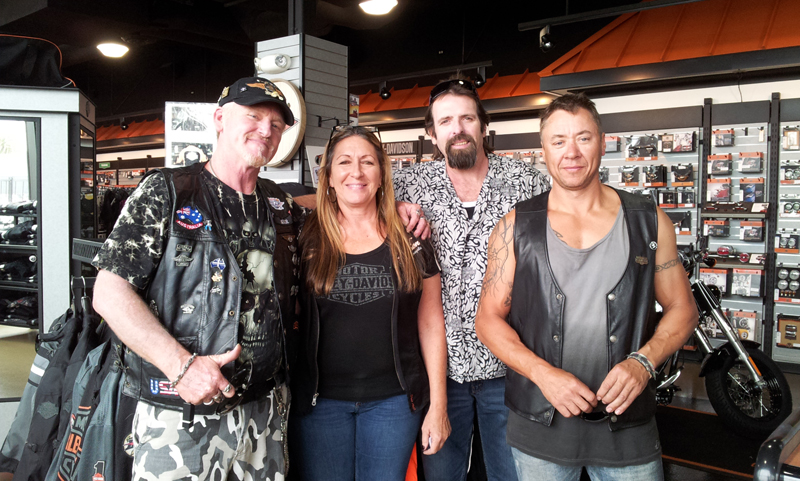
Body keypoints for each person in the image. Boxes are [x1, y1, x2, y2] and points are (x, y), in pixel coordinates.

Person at [91, 77, 428, 481]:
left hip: (265, 416)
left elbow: (340, 202)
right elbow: (109, 292)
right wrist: (180, 365)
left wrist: (397, 207)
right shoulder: (168, 192)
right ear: (219, 119)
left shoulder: (281, 209)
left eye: (275, 123)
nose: (265, 130)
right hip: (181, 414)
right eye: (253, 116)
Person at [475, 93, 698, 481]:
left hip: (627, 431)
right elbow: (488, 320)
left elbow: (683, 309)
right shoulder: (515, 226)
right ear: (542, 150)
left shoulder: (648, 220)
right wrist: (543, 375)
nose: (571, 152)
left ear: (603, 141)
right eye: (558, 141)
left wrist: (643, 364)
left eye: (583, 138)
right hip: (540, 427)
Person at [393, 78, 550, 481]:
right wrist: (391, 206)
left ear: (483, 126)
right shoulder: (408, 185)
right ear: (432, 133)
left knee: (511, 474)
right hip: (438, 371)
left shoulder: (528, 183)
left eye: (467, 118)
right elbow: (339, 199)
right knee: (441, 473)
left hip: (511, 366)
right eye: (445, 121)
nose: (457, 128)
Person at [289, 126, 450, 480]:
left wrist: (438, 404)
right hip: (320, 404)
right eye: (344, 163)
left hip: (393, 403)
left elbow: (431, 323)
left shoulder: (412, 238)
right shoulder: (306, 235)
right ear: (329, 177)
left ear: (381, 175)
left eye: (367, 162)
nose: (356, 172)